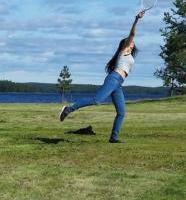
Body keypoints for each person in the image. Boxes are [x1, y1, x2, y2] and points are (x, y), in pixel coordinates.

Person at [59, 11, 145, 143]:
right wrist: (137, 20)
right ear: (125, 45)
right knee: (96, 100)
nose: (132, 42)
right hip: (114, 78)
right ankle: (68, 109)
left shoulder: (129, 55)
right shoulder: (124, 50)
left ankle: (113, 138)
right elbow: (132, 34)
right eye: (130, 42)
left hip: (118, 83)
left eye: (133, 43)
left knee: (121, 112)